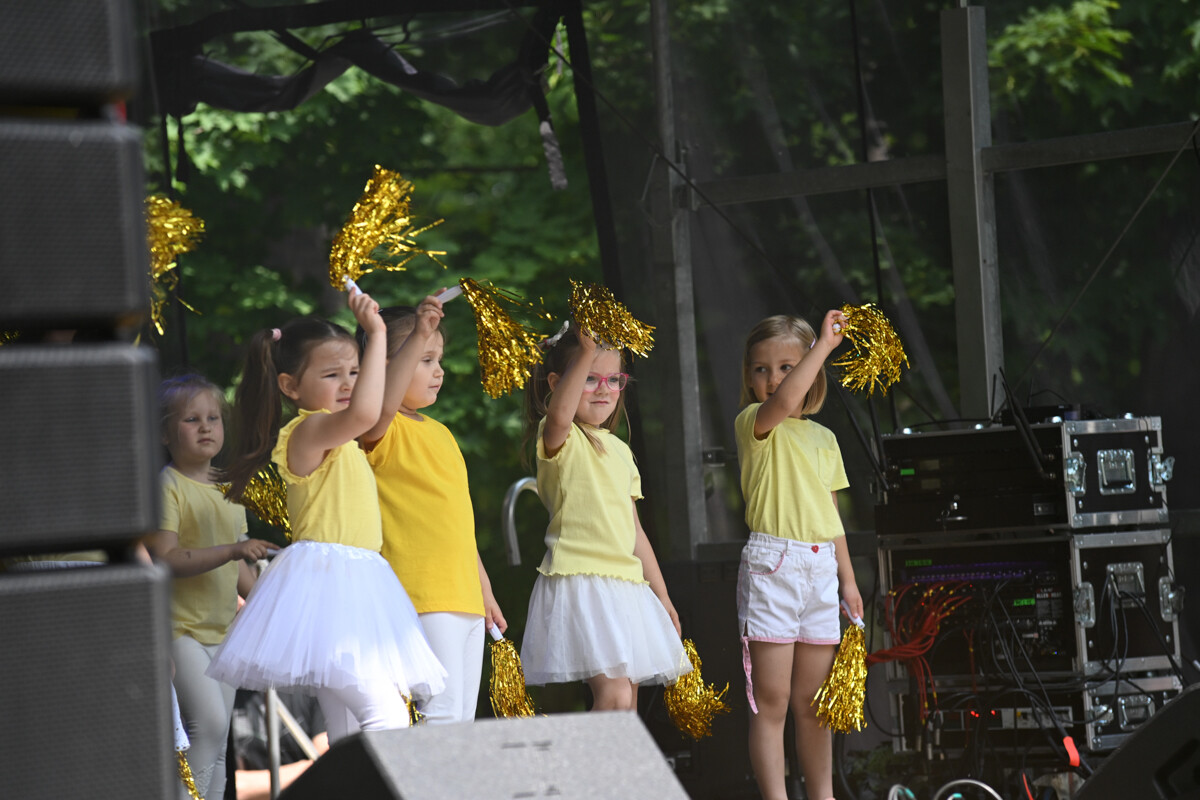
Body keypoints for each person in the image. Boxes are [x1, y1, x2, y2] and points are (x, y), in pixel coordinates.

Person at [207, 290, 446, 745]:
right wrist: (376, 334)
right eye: (332, 374)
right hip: (329, 588)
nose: (349, 383)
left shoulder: (344, 438)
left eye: (355, 372)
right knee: (386, 716)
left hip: (357, 587)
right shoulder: (311, 429)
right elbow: (367, 412)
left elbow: (369, 412)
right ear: (290, 386)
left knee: (350, 729)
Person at [519, 322, 690, 711]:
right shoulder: (559, 434)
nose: (603, 389)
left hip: (625, 584)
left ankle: (612, 773)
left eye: (614, 380)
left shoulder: (620, 450)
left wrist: (661, 595)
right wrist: (584, 349)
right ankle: (590, 772)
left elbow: (634, 530)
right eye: (590, 378)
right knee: (612, 694)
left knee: (626, 699)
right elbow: (561, 413)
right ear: (557, 382)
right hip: (582, 579)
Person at [358, 295, 506, 725]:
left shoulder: (442, 433)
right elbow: (381, 407)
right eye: (424, 358)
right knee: (438, 719)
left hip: (464, 598)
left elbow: (458, 526)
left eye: (438, 357)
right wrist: (420, 329)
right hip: (420, 595)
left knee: (460, 722)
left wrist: (485, 589)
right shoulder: (378, 427)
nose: (438, 370)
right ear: (384, 366)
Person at [734, 311, 864, 800]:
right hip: (774, 566)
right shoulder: (755, 423)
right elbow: (786, 402)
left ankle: (822, 795)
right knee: (773, 700)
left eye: (787, 367)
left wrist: (848, 580)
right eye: (761, 369)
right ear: (749, 377)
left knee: (813, 703)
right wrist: (822, 348)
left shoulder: (824, 439)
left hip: (820, 570)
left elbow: (830, 516)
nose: (773, 380)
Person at [145, 373, 276, 800]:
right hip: (180, 631)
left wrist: (272, 601)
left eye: (213, 418)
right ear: (165, 432)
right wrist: (233, 551)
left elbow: (241, 575)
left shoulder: (227, 490)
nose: (205, 426)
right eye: (191, 419)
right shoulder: (167, 486)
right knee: (208, 727)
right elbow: (166, 558)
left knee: (221, 744)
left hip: (224, 635)